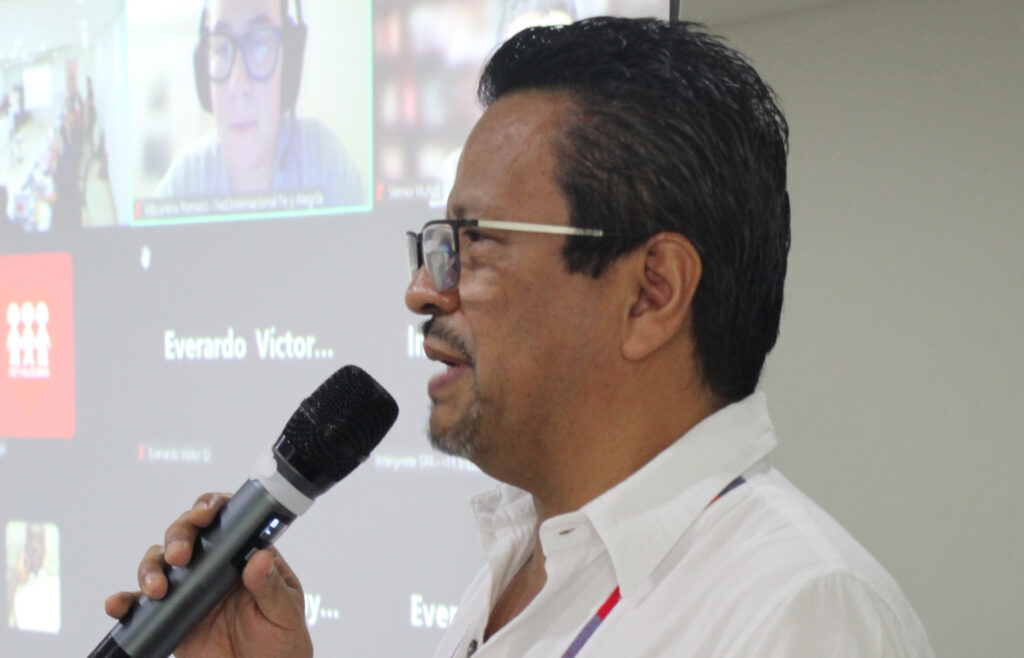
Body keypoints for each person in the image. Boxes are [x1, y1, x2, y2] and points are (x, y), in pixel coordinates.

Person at [105, 17, 936, 657]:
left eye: (474, 242)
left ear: (650, 293)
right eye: (437, 243)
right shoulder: (523, 568)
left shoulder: (800, 609)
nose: (425, 288)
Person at [154, 0, 364, 206]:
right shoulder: (183, 186)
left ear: (289, 62)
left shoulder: (325, 163)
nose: (238, 86)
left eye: (260, 45)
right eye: (220, 48)